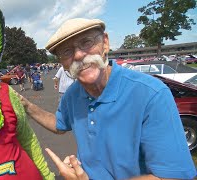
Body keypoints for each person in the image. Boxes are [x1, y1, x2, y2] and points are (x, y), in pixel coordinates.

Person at [18, 18, 196, 179]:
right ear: (62, 63)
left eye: (86, 42)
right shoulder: (73, 93)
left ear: (105, 43)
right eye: (67, 51)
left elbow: (173, 175)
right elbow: (59, 124)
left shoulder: (151, 94)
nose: (78, 55)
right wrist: (26, 105)